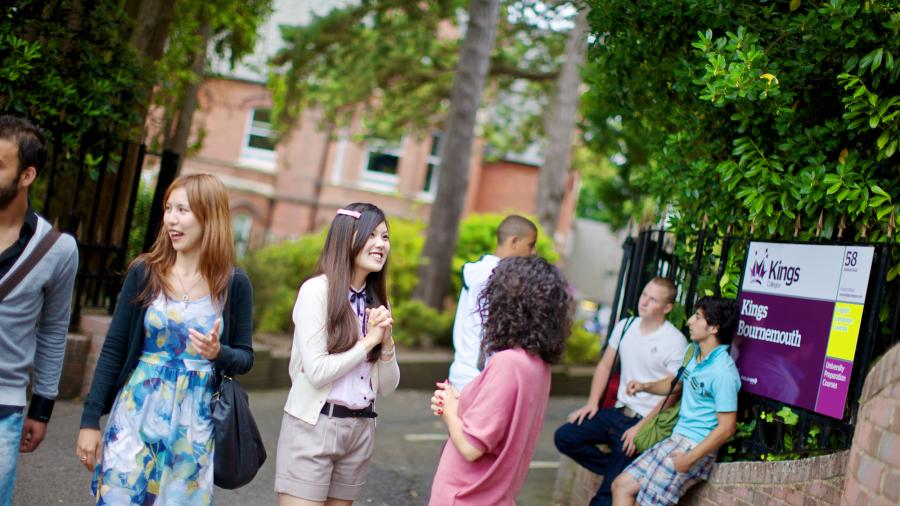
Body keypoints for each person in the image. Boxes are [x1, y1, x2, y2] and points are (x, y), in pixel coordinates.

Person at [76, 174, 254, 504]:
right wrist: (90, 420)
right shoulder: (145, 272)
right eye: (169, 208)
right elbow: (114, 348)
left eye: (183, 210)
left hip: (194, 424)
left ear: (210, 216)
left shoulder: (233, 283)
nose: (172, 218)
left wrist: (219, 352)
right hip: (136, 412)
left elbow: (245, 357)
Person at [275, 203, 399, 506]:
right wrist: (368, 343)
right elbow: (317, 372)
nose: (381, 244)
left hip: (359, 430)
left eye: (384, 237)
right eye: (371, 235)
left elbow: (387, 386)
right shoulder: (316, 292)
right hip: (314, 426)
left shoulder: (377, 302)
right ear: (347, 237)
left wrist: (387, 343)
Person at [429, 256, 571, 505]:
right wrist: (459, 401)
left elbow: (471, 447)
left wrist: (450, 412)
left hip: (466, 495)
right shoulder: (538, 365)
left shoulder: (508, 363)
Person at [0, 115, 79, 504]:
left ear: (26, 175)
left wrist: (42, 407)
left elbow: (53, 330)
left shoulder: (57, 250)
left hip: (4, 406)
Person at [554, 277, 687, 506]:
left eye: (653, 299)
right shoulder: (625, 326)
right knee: (565, 437)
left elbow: (674, 391)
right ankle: (624, 472)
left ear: (667, 308)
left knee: (605, 497)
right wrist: (592, 403)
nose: (644, 302)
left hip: (641, 422)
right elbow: (605, 365)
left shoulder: (675, 341)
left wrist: (641, 428)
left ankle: (620, 473)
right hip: (615, 413)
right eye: (644, 294)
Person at [612, 297, 740, 506]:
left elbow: (727, 428)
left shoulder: (722, 372)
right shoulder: (695, 354)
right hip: (676, 438)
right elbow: (676, 384)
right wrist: (645, 386)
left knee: (646, 502)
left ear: (714, 328)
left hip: (693, 445)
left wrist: (690, 458)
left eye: (697, 317)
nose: (689, 321)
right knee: (622, 485)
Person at [447, 215, 537, 391]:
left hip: (461, 372)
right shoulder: (500, 279)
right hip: (481, 379)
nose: (533, 252)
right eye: (531, 245)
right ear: (514, 241)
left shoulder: (477, 270)